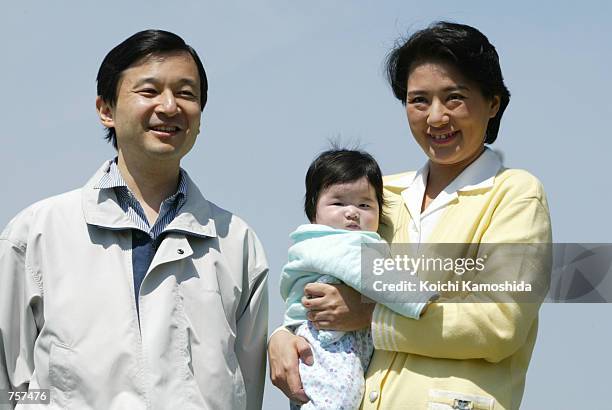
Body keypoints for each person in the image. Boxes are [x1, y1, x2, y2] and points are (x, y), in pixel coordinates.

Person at [269, 21, 552, 410]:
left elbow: (499, 324)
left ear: (493, 103)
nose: (436, 117)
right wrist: (285, 334)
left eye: (454, 98)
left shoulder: (515, 195)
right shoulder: (379, 196)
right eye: (419, 100)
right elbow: (319, 271)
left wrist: (370, 316)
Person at [0, 30, 268, 410]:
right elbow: (7, 384)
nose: (170, 105)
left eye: (187, 93)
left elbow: (247, 388)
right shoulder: (37, 233)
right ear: (106, 110)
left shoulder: (237, 243)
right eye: (149, 91)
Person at [279, 149, 435, 409]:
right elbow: (372, 274)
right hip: (328, 344)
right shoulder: (332, 244)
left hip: (332, 342)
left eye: (365, 205)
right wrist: (419, 299)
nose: (352, 212)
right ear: (313, 212)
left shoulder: (330, 243)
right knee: (340, 396)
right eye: (338, 203)